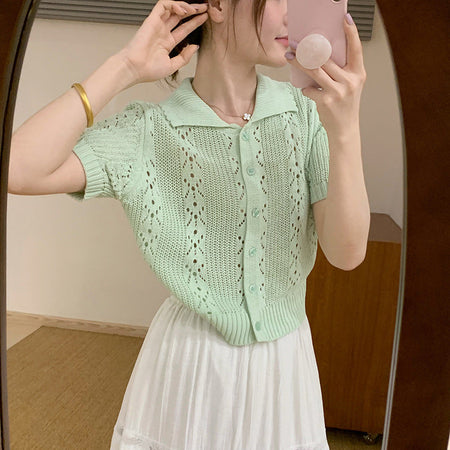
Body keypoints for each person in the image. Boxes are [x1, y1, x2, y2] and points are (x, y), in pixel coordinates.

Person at [8, 0, 369, 448]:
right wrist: (124, 67)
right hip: (192, 366)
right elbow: (18, 169)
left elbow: (347, 254)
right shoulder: (149, 131)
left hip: (284, 367)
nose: (293, 11)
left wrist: (345, 129)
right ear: (217, 4)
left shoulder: (305, 113)